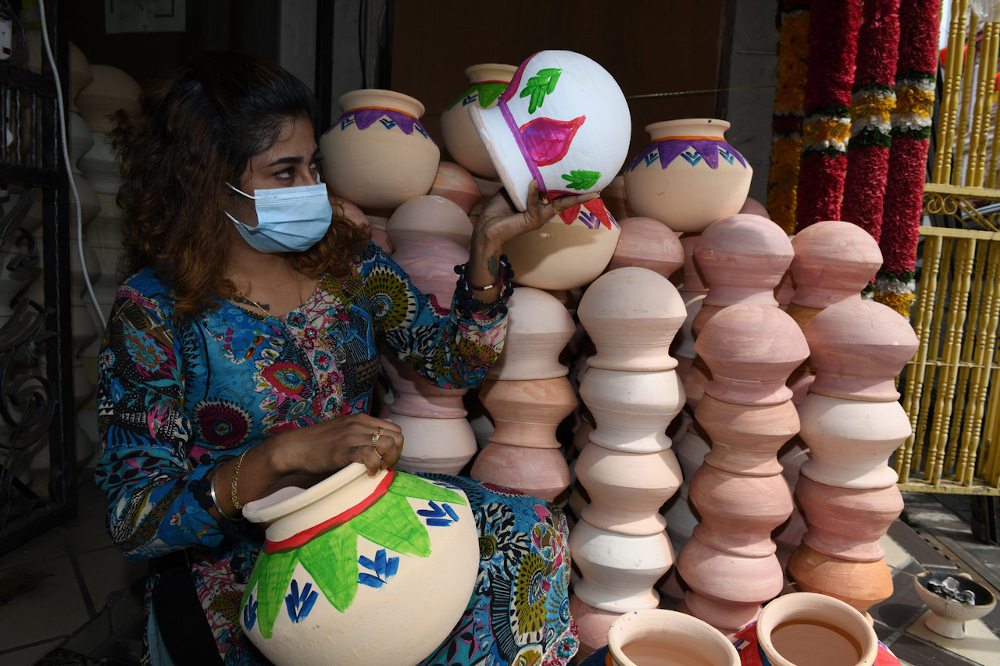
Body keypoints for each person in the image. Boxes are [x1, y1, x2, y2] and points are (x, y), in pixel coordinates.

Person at [95, 51, 596, 666]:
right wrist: (280, 456)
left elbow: (455, 365)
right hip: (238, 562)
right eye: (284, 172)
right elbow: (135, 518)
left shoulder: (346, 263)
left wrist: (486, 249)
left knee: (527, 533)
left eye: (314, 166)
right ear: (205, 181)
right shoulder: (155, 310)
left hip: (364, 516)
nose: (311, 188)